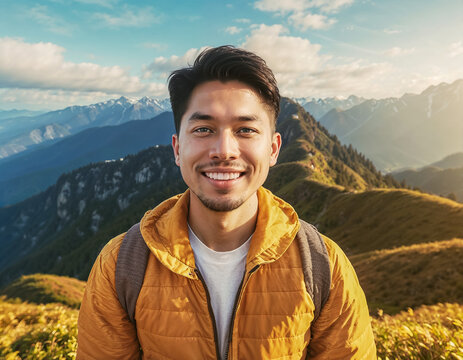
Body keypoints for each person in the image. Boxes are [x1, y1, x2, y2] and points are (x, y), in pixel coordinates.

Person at [77, 46, 376, 359]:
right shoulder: (121, 266)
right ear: (177, 148)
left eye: (245, 130)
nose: (224, 150)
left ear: (273, 149)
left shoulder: (323, 265)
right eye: (203, 129)